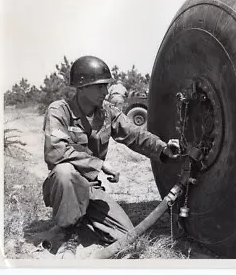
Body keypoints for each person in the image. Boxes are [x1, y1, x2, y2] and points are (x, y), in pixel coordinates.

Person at [42, 55, 179, 258]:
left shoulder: (107, 112)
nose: (105, 92)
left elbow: (136, 135)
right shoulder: (59, 110)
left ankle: (81, 216)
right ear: (81, 87)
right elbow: (55, 151)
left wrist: (163, 148)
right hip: (65, 185)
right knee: (65, 172)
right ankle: (68, 233)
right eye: (99, 86)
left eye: (106, 86)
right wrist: (100, 165)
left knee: (125, 237)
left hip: (91, 187)